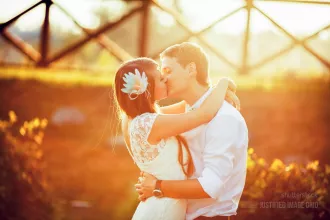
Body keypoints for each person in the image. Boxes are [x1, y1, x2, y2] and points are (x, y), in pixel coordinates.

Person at [113, 57, 239, 220]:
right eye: (160, 78)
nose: (165, 78)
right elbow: (203, 114)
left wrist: (212, 92)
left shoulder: (134, 119)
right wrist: (223, 83)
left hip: (159, 205)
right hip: (163, 210)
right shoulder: (149, 123)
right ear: (147, 88)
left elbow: (188, 106)